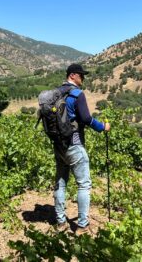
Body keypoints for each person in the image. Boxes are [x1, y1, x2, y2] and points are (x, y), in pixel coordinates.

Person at [54, 63, 110, 234]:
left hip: (58, 145)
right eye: (81, 75)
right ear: (72, 75)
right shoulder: (77, 94)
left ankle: (60, 222)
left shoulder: (56, 93)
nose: (83, 78)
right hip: (74, 144)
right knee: (84, 185)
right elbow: (86, 118)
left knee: (61, 183)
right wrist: (102, 127)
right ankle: (83, 225)